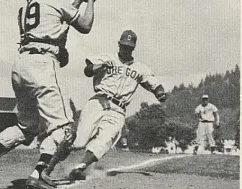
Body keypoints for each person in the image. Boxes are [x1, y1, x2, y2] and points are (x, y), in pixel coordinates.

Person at [0, 0, 101, 189]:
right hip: (43, 65)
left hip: (21, 65)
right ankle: (39, 175)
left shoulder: (25, 6)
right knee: (65, 129)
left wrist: (76, 0)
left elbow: (56, 22)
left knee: (26, 127)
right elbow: (84, 25)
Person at [67, 30, 167, 181]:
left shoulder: (140, 68)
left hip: (119, 110)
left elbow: (154, 84)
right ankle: (51, 160)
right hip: (99, 101)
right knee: (79, 141)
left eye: (129, 47)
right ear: (119, 45)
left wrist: (160, 93)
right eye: (124, 46)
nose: (126, 49)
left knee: (106, 139)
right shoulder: (108, 58)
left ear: (133, 48)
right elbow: (87, 70)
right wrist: (96, 68)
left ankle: (81, 166)